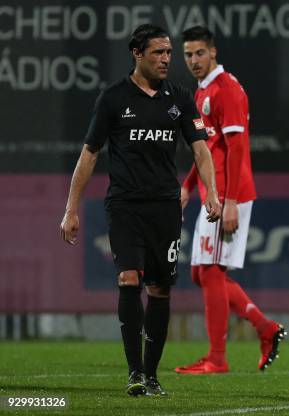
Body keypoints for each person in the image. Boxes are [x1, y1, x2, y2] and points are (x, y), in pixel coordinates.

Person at [59, 24, 221, 396]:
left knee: (160, 288)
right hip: (125, 206)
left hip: (165, 207)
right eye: (158, 53)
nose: (166, 59)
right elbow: (90, 154)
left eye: (168, 52)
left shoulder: (179, 97)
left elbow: (200, 147)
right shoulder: (114, 98)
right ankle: (134, 372)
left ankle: (151, 375)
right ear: (137, 54)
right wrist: (71, 209)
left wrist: (210, 191)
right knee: (129, 278)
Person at [174, 26, 285, 375]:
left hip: (227, 196)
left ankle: (217, 358)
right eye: (188, 54)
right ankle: (265, 328)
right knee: (200, 273)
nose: (194, 60)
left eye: (199, 53)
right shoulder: (201, 92)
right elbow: (204, 150)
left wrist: (232, 200)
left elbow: (237, 148)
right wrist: (189, 185)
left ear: (213, 52)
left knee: (210, 271)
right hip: (212, 195)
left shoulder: (228, 90)